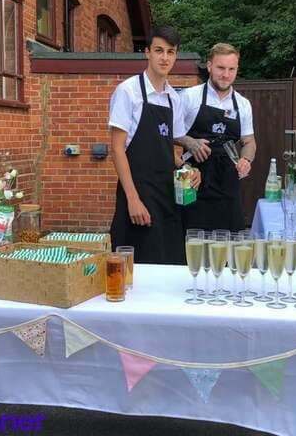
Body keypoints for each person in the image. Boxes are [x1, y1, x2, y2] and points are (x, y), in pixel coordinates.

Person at [109, 25, 200, 264]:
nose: (165, 57)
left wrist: (187, 169)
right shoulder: (127, 92)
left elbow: (166, 151)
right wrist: (133, 199)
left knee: (170, 267)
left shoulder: (174, 99)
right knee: (135, 272)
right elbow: (117, 150)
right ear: (147, 52)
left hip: (168, 199)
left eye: (170, 52)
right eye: (159, 50)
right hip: (138, 197)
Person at [177, 43, 256, 232]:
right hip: (191, 178)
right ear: (210, 66)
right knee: (190, 240)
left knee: (228, 242)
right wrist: (189, 141)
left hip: (227, 182)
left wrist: (246, 159)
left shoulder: (243, 104)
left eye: (231, 69)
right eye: (221, 68)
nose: (226, 74)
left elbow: (249, 141)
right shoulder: (189, 97)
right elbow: (168, 136)